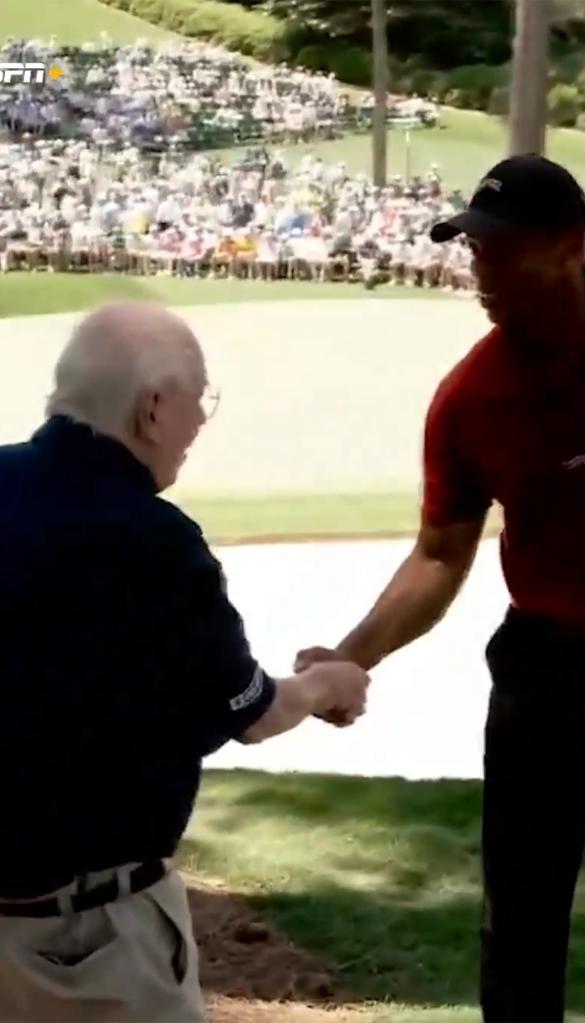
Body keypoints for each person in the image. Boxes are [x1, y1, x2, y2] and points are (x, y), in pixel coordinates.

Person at [295, 155, 585, 1022]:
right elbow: (439, 556)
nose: (481, 274)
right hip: (545, 670)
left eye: (503, 253)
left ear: (572, 246)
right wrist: (350, 657)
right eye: (474, 252)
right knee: (519, 924)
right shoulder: (472, 397)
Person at [0, 301, 369, 1023]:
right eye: (199, 400)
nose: (200, 422)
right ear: (153, 409)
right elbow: (250, 711)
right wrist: (330, 681)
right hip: (88, 942)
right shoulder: (155, 544)